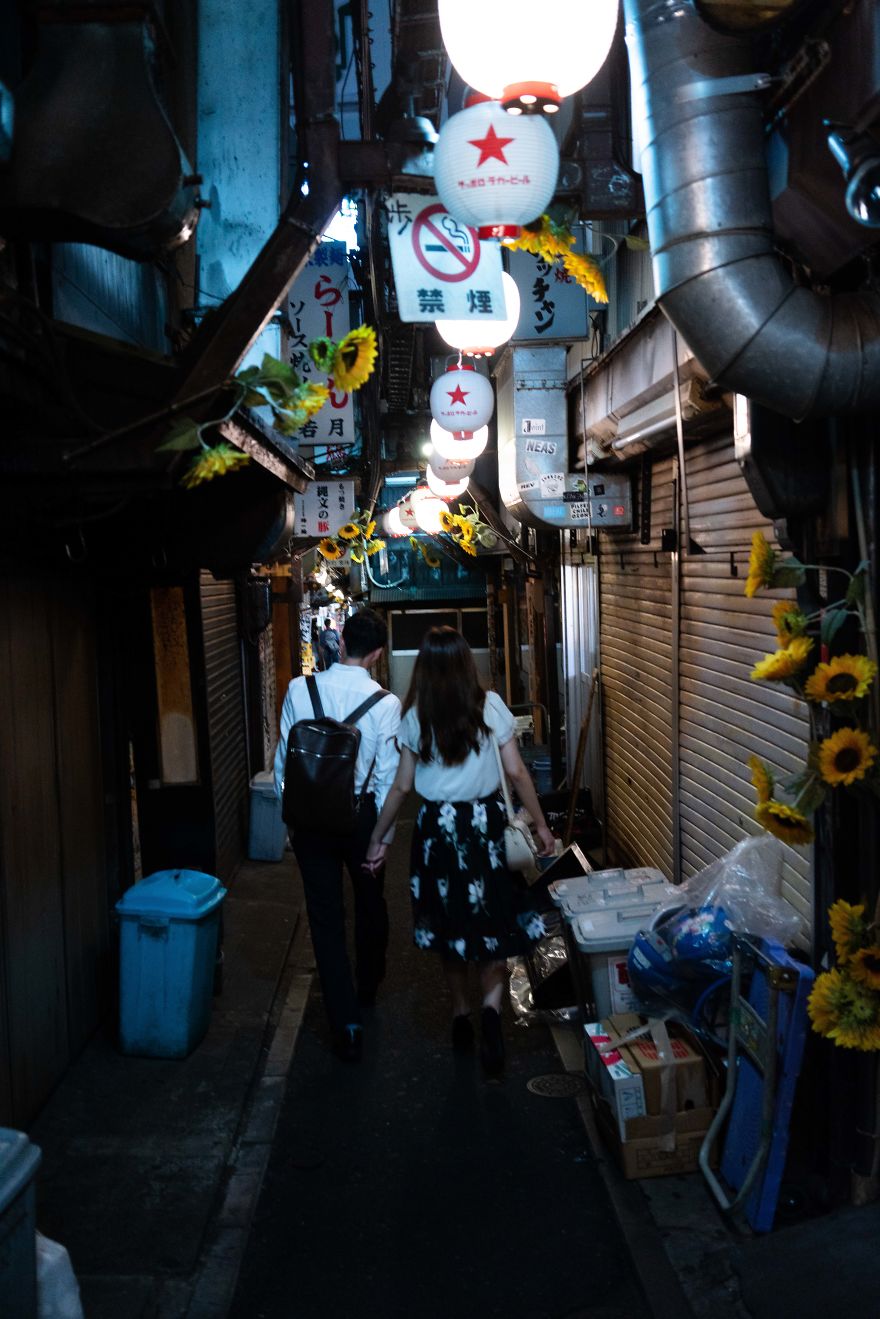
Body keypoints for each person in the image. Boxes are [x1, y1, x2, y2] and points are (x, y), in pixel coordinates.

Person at [365, 626, 555, 1078]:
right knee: (491, 927)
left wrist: (378, 836)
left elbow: (402, 786)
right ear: (468, 662)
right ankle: (492, 1012)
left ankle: (460, 1014)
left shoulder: (413, 716)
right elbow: (517, 773)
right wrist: (543, 824)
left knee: (450, 929)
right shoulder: (490, 707)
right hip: (486, 830)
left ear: (425, 667)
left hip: (437, 836)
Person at [274, 608, 401, 1062]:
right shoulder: (386, 704)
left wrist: (292, 820)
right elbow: (386, 777)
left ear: (342, 642)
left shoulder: (298, 689)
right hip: (361, 818)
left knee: (325, 918)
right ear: (379, 654)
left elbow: (282, 763)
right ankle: (367, 987)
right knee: (371, 904)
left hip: (311, 821)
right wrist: (381, 840)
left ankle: (344, 1021)